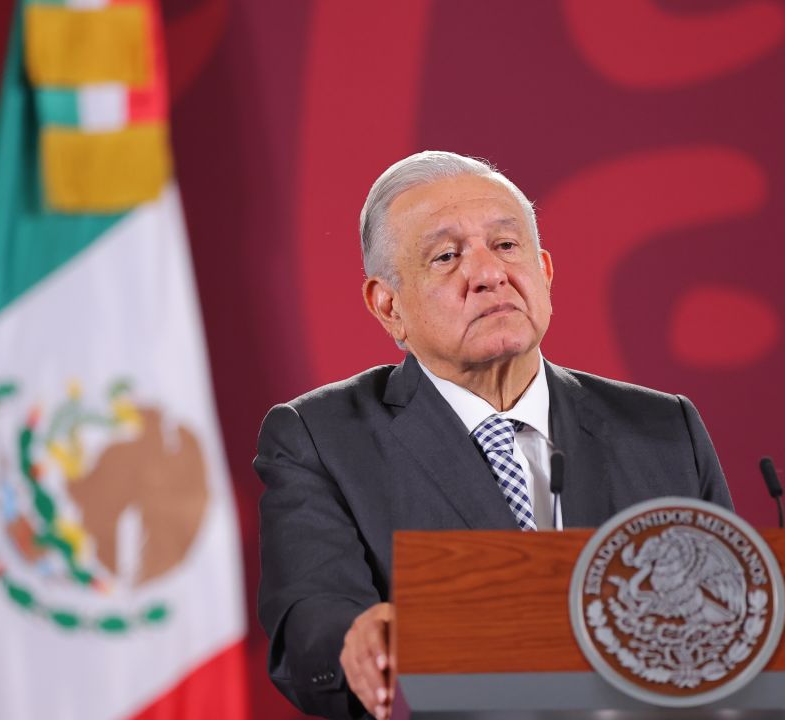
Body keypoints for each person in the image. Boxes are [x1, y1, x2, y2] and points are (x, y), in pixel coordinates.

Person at [254, 151, 733, 719]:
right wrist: (358, 637)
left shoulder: (662, 430)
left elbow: (741, 625)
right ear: (388, 307)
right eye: (447, 255)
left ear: (545, 272)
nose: (488, 274)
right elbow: (312, 617)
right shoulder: (322, 439)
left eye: (506, 246)